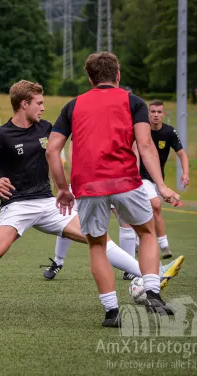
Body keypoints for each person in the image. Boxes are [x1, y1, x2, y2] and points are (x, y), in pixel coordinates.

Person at [0, 80, 171, 321]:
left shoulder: (46, 128)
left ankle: (154, 274)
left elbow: (62, 150)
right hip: (18, 205)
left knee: (97, 238)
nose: (43, 108)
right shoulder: (1, 135)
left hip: (48, 204)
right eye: (39, 103)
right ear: (24, 104)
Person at [46, 52, 181, 327]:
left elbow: (52, 151)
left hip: (88, 185)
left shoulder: (73, 105)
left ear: (89, 78)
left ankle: (111, 313)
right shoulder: (134, 102)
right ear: (117, 75)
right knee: (146, 231)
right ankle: (152, 291)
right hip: (126, 181)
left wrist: (62, 188)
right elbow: (145, 146)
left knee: (97, 244)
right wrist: (162, 185)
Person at [130, 100, 189, 259]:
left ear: (163, 114)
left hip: (157, 177)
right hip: (141, 176)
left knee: (154, 209)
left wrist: (185, 174)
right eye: (153, 112)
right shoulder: (142, 130)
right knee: (155, 204)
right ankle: (163, 245)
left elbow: (182, 154)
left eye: (159, 112)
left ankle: (140, 241)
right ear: (148, 113)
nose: (156, 115)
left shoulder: (169, 132)